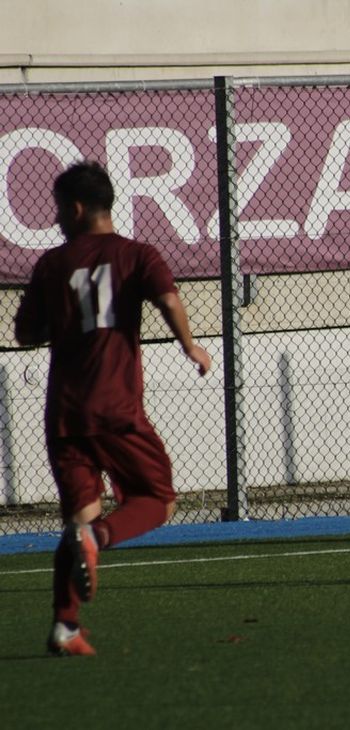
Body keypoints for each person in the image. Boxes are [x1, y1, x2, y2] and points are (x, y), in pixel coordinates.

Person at [14, 161, 212, 656]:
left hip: (63, 413)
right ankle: (99, 539)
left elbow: (25, 333)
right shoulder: (138, 255)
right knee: (159, 499)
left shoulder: (51, 264)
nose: (58, 219)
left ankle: (65, 626)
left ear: (76, 209)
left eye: (59, 209)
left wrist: (57, 322)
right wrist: (190, 345)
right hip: (116, 408)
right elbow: (168, 297)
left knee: (78, 515)